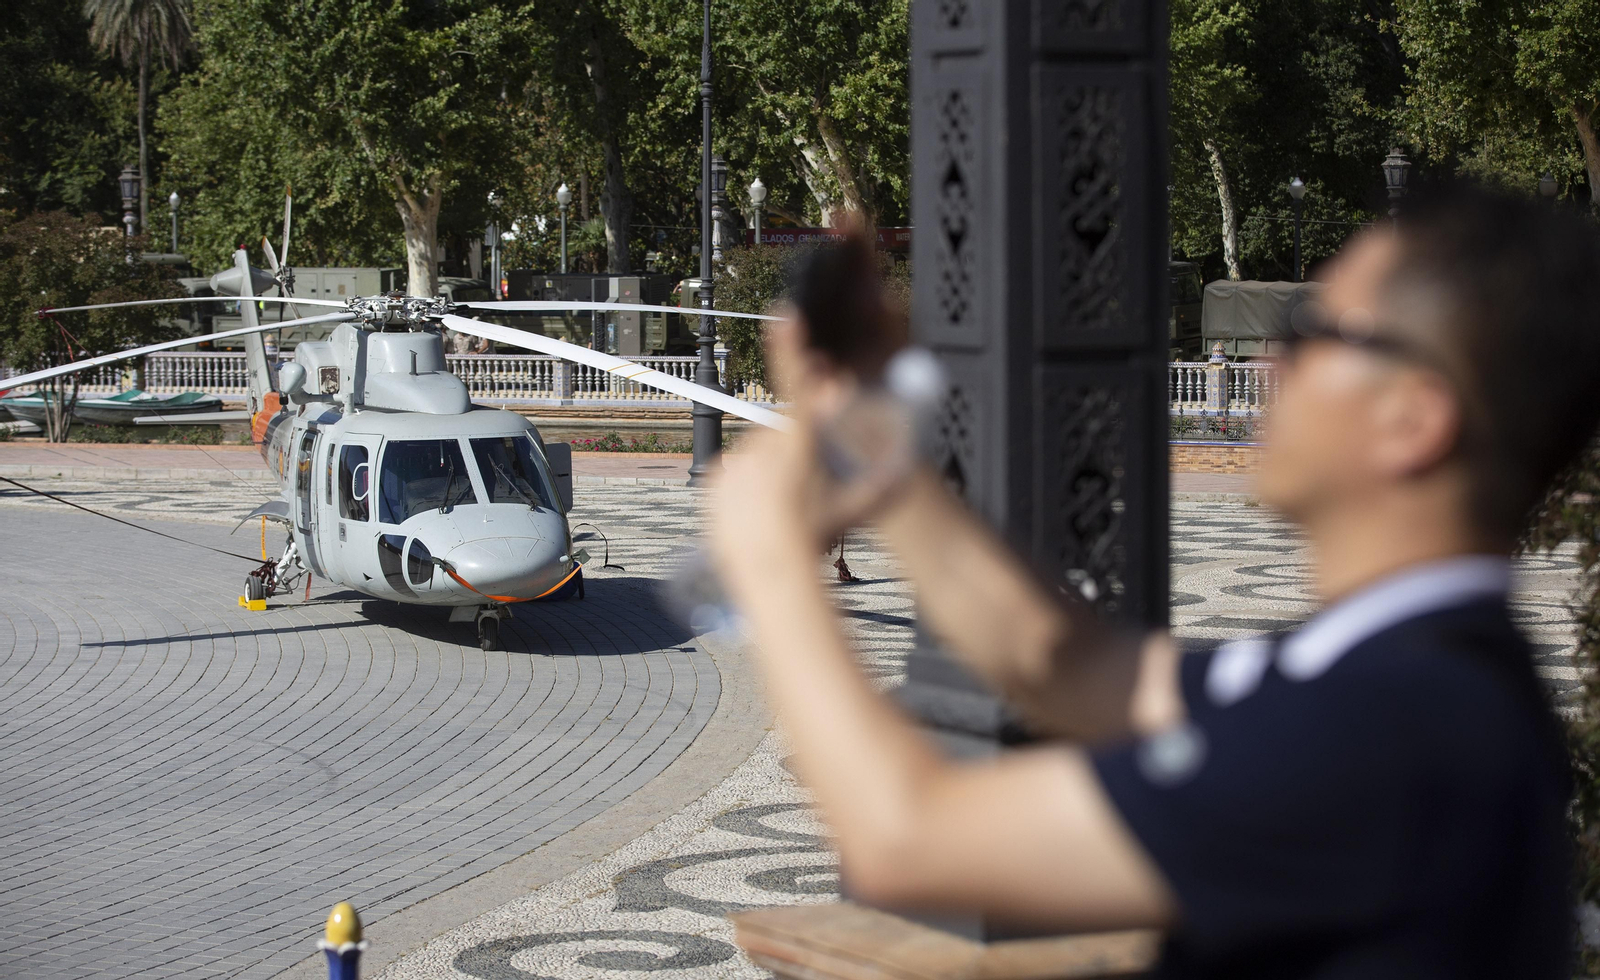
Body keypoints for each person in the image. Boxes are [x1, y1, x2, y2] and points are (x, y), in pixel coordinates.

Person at [708, 186, 1600, 978]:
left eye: (1313, 330)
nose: (1271, 363)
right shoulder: (1410, 675)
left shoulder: (1390, 728)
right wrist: (870, 439)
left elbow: (904, 840)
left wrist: (771, 558)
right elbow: (1064, 660)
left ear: (1413, 418)